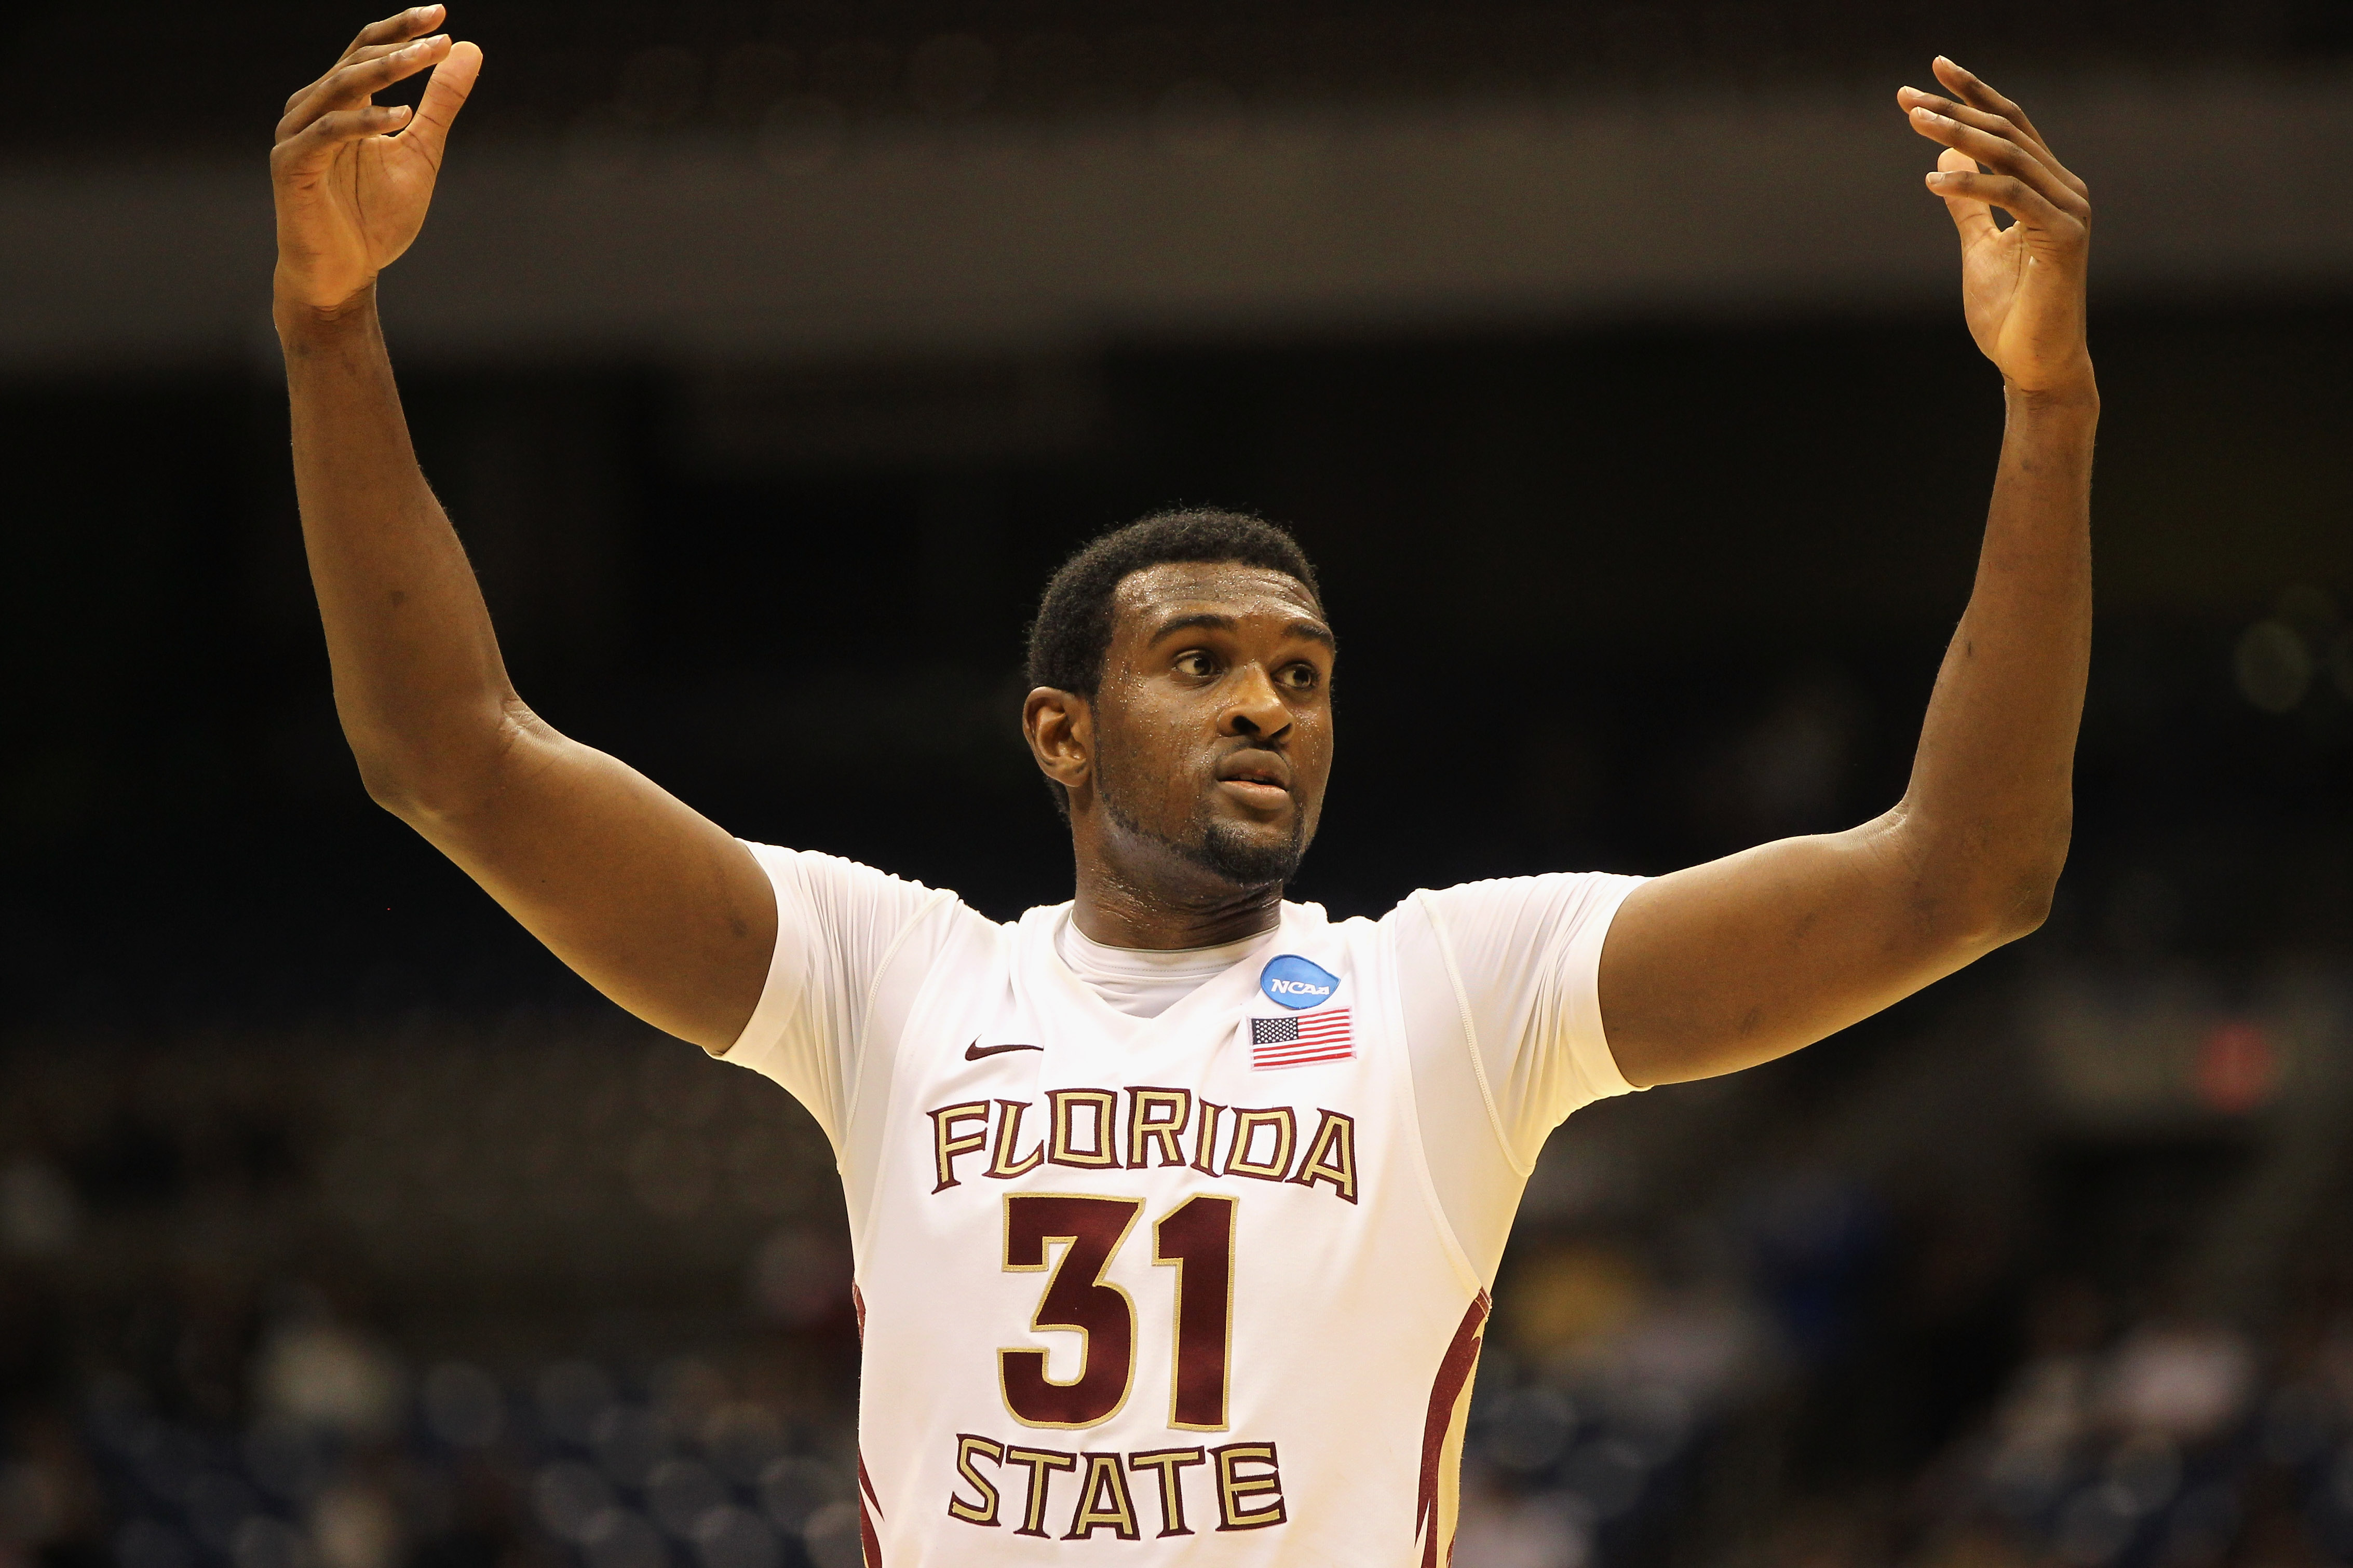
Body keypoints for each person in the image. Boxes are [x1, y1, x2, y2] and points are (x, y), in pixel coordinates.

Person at [269, 9, 2097, 1561]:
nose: (1266, 711)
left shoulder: (1453, 992)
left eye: (1302, 678)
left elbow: (1964, 878)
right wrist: (332, 329)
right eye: (1202, 665)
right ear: (1060, 732)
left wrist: (2047, 410)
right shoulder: (888, 979)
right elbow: (453, 758)